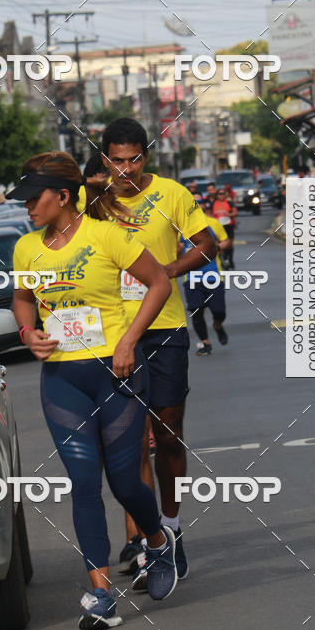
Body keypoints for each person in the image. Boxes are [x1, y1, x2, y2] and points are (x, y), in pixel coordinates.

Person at [9, 152, 178, 630]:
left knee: (125, 484)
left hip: (116, 370)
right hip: (63, 380)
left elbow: (159, 283)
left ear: (63, 197)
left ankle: (158, 542)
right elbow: (22, 299)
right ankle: (100, 593)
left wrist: (128, 340)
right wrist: (28, 334)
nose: (27, 207)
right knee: (83, 484)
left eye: (33, 198)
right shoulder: (26, 248)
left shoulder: (107, 236)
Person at [99, 118, 216, 584]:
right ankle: (153, 542)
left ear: (145, 157)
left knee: (167, 435)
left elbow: (206, 245)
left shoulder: (172, 194)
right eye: (116, 160)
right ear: (105, 159)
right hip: (113, 335)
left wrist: (163, 271)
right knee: (132, 441)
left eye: (134, 159)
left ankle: (171, 523)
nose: (125, 169)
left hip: (165, 329)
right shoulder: (94, 205)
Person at [181, 199, 230, 354]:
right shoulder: (179, 226)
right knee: (196, 311)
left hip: (213, 276)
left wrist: (215, 247)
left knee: (219, 311)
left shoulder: (213, 223)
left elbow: (226, 241)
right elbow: (175, 247)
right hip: (191, 278)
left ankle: (217, 325)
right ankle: (205, 343)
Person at [212, 187, 237, 268]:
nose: (222, 195)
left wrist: (229, 215)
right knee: (221, 244)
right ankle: (223, 259)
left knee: (229, 244)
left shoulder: (229, 203)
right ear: (217, 195)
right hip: (218, 227)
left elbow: (235, 212)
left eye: (223, 194)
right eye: (220, 194)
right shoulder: (213, 203)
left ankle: (230, 259)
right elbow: (209, 214)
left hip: (228, 226)